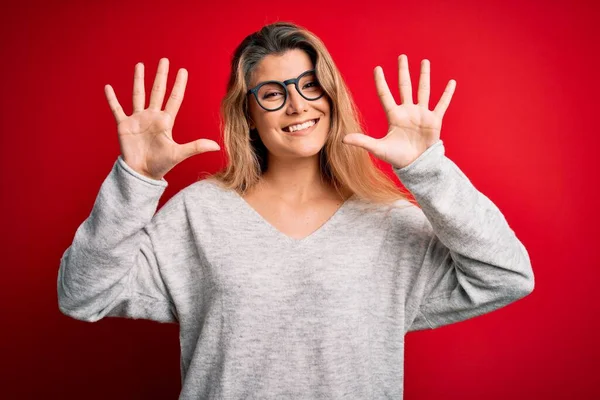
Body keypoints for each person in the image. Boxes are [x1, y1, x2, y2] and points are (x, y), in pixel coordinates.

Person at [57, 21, 534, 399]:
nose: (296, 105)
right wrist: (135, 178)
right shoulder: (197, 215)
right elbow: (83, 294)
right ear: (248, 113)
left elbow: (506, 275)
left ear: (331, 95)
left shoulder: (389, 221)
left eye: (310, 85)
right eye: (272, 92)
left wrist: (428, 169)